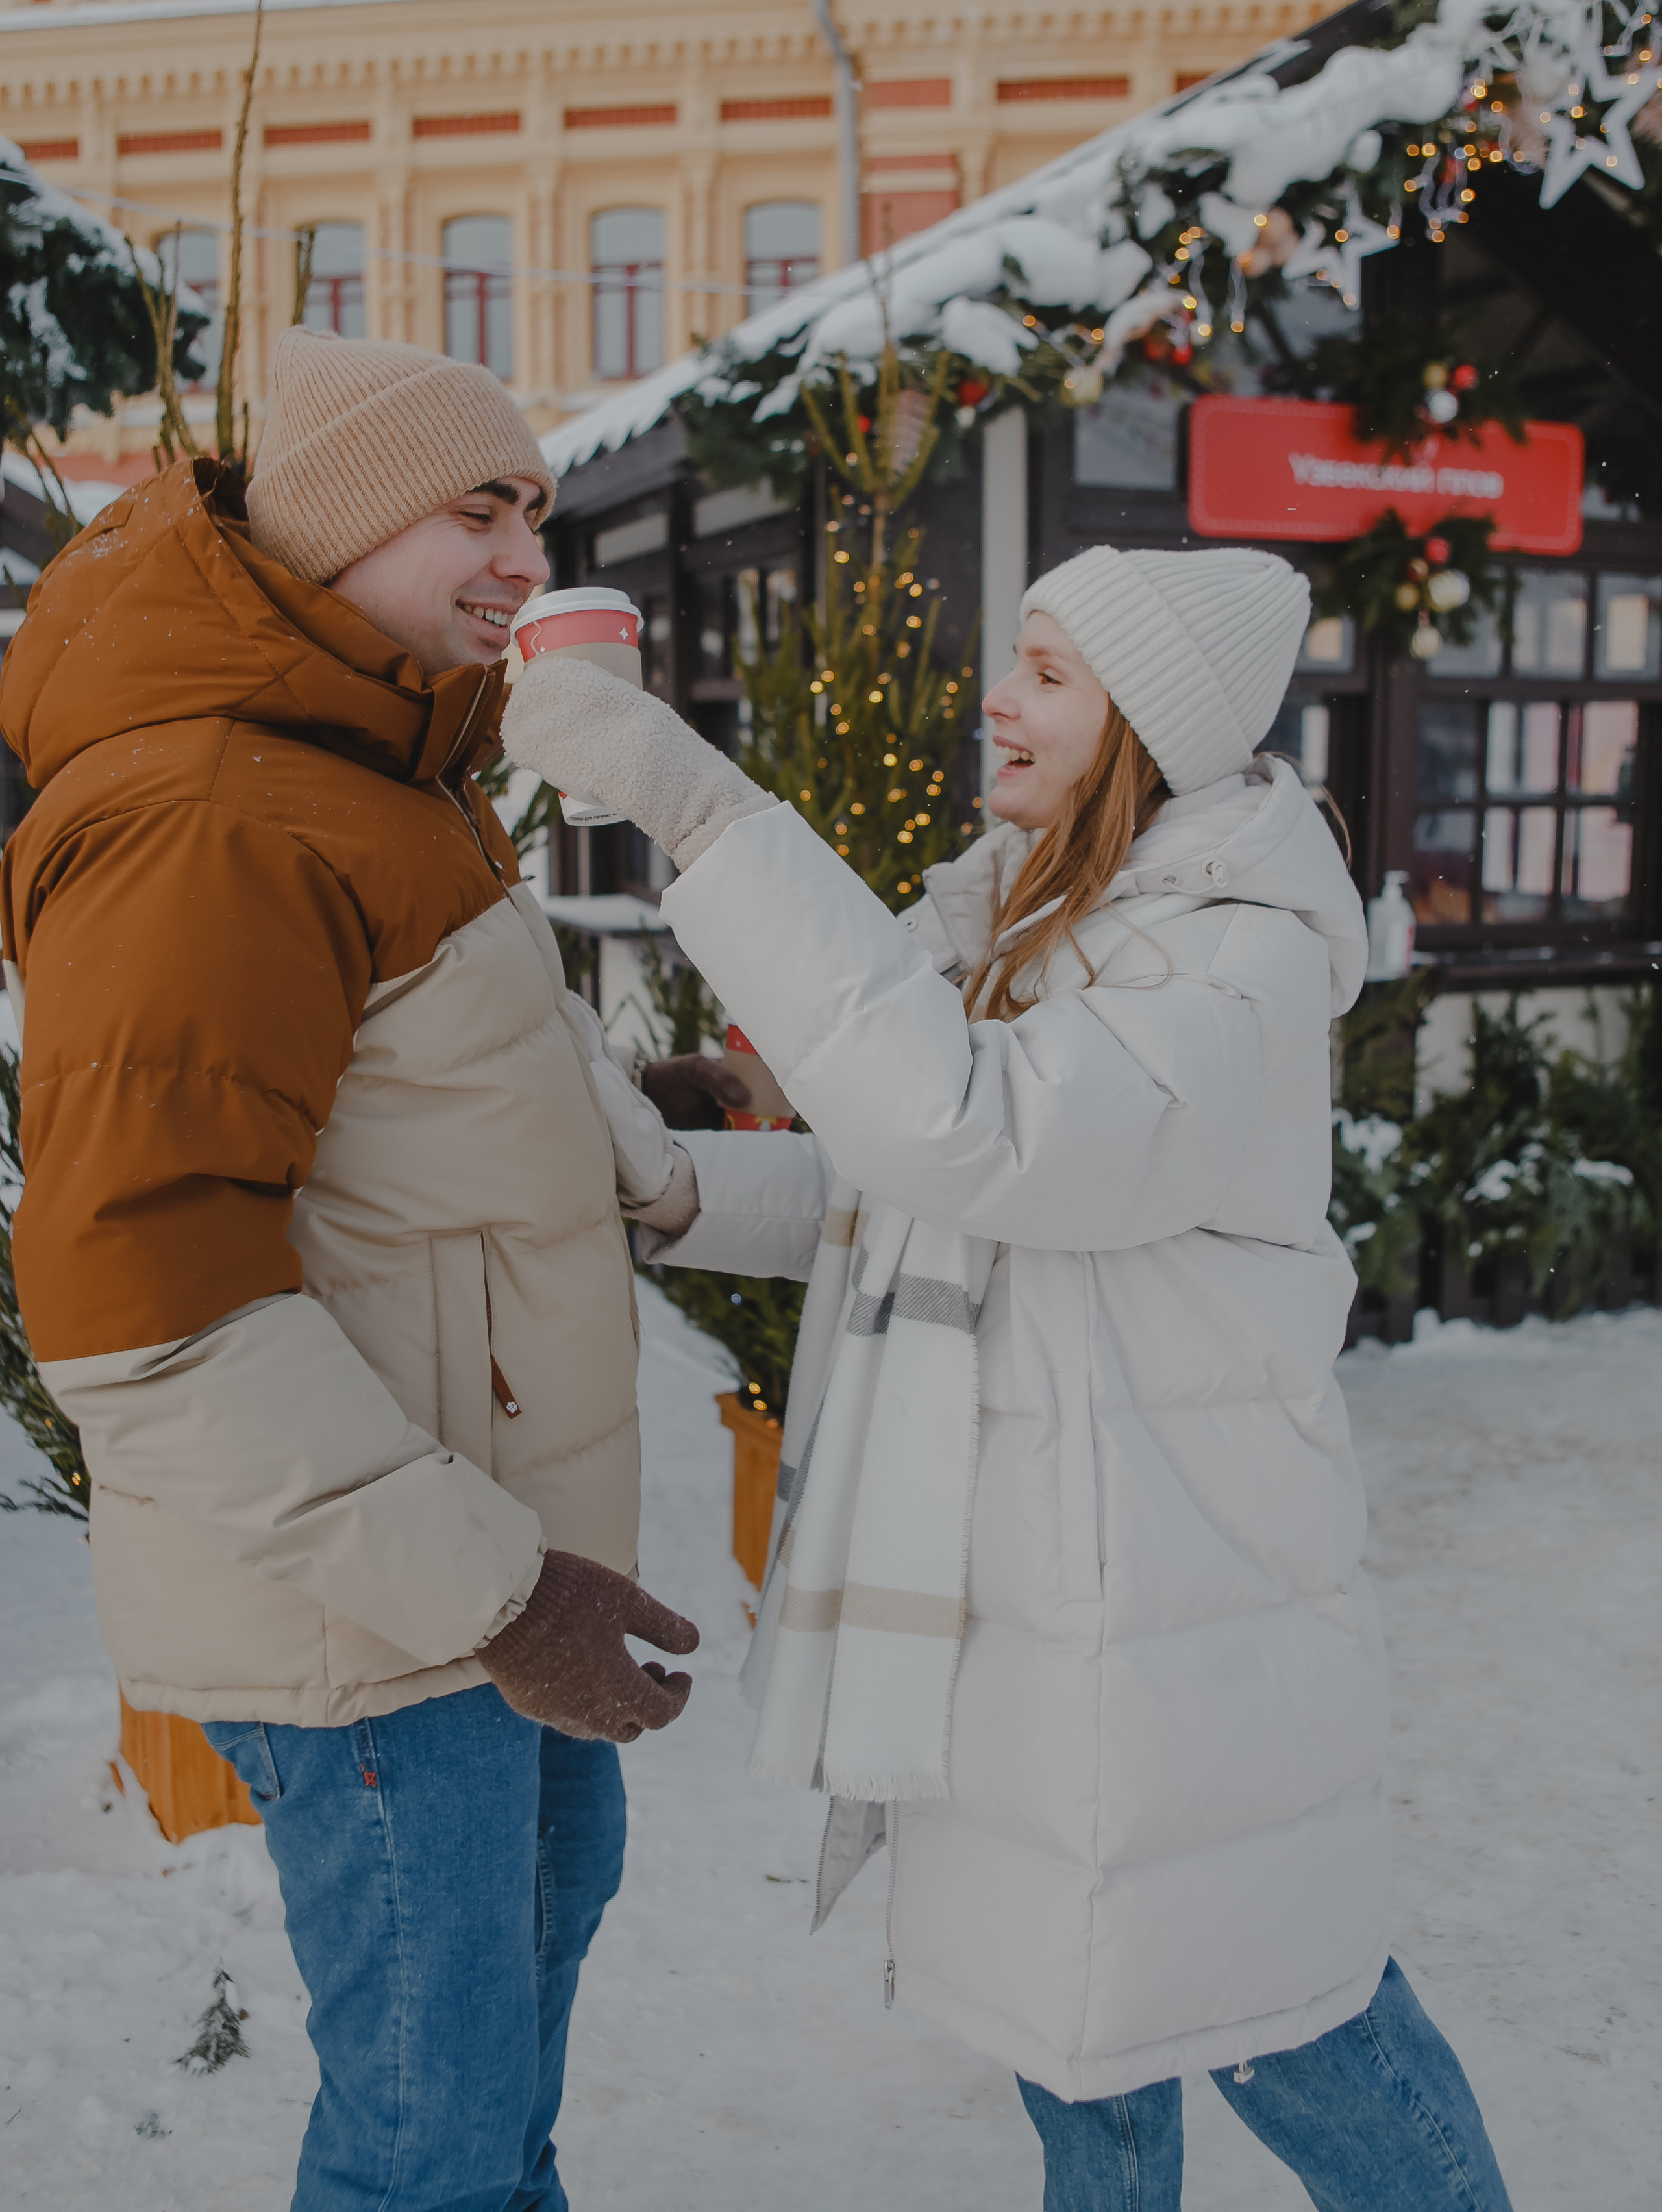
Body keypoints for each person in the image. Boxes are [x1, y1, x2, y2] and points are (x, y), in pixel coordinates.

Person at [501, 541, 1515, 2212]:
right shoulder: (1034, 912)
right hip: (1030, 1596)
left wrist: (701, 809)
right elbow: (909, 1190)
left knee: (1294, 2019)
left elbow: (986, 1140)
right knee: (1073, 2043)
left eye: (1046, 671)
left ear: (1147, 725)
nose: (998, 696)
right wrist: (684, 1191)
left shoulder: (1231, 958)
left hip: (1176, 1606)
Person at [0, 327, 743, 2212]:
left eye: (536, 512)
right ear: (335, 521)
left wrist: (608, 1116)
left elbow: (366, 1110)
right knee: (433, 2141)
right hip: (388, 1622)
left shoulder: (377, 760)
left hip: (478, 1572)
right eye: (473, 509)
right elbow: (149, 1307)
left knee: (491, 2112)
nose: (523, 557)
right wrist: (499, 1595)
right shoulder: (213, 813)